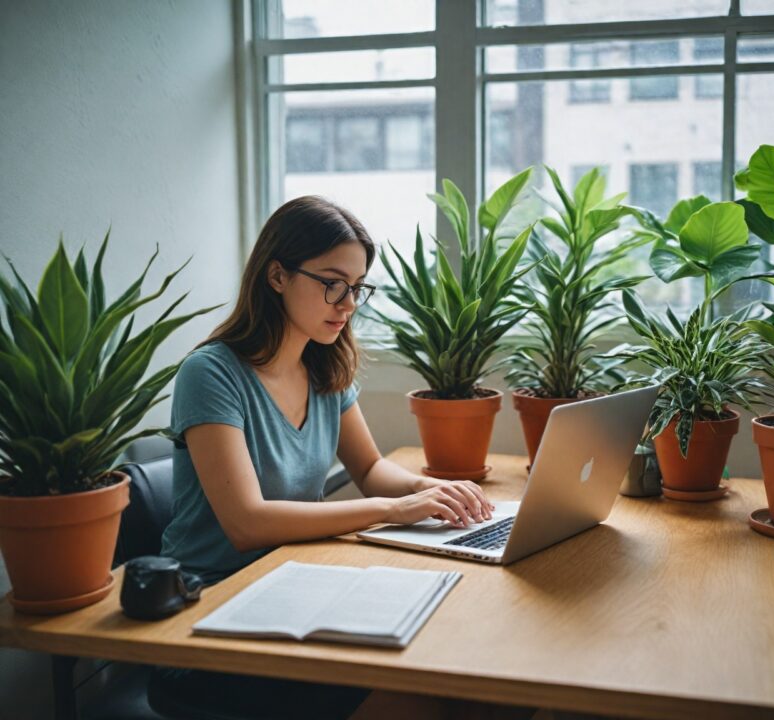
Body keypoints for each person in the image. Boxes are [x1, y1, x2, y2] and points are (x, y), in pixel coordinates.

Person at [154, 196, 512, 720]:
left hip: (293, 590)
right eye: (332, 283)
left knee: (464, 666)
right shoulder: (210, 374)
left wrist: (425, 493)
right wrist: (392, 511)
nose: (347, 304)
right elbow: (247, 524)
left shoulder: (324, 366)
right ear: (277, 276)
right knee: (421, 694)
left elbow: (368, 469)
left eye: (357, 287)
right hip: (210, 619)